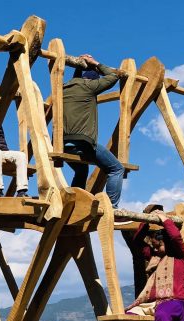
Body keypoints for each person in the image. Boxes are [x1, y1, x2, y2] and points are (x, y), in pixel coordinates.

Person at [62, 54, 125, 207]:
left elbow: (76, 80)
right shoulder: (89, 87)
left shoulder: (63, 88)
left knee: (81, 170)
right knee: (117, 169)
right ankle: (112, 208)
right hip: (82, 143)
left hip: (62, 143)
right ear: (92, 81)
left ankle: (74, 204)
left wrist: (79, 65)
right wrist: (95, 62)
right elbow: (113, 76)